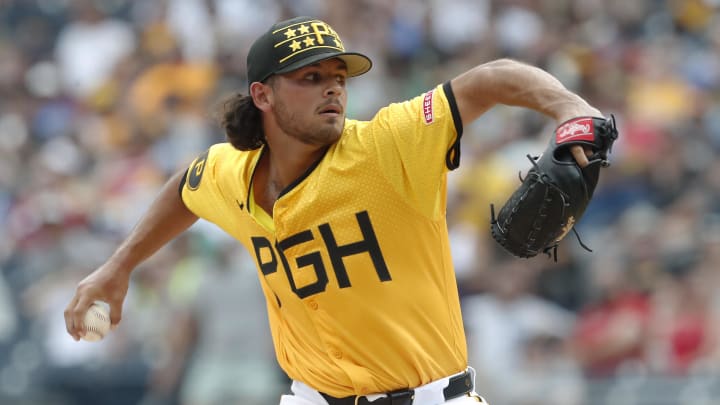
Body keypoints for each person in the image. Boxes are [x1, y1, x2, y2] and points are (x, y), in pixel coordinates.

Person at [64, 16, 602, 405]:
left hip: (428, 398)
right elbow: (187, 186)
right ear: (263, 95)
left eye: (339, 77)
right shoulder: (234, 174)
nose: (333, 90)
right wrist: (118, 267)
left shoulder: (390, 145)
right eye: (311, 78)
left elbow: (491, 78)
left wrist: (571, 109)